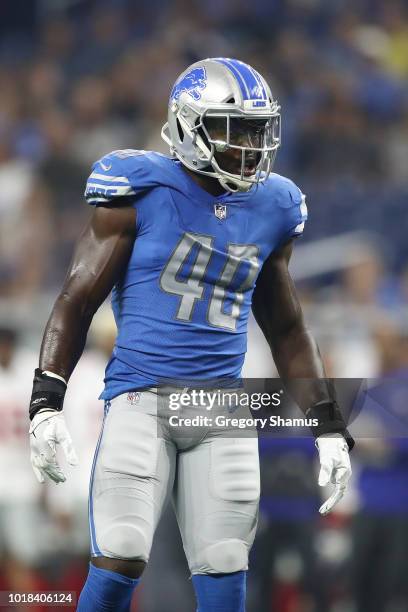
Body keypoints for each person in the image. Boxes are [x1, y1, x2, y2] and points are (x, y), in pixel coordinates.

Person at [28, 58, 354, 612]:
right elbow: (77, 298)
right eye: (234, 129)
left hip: (219, 408)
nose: (250, 145)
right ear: (188, 125)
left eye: (257, 129)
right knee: (122, 550)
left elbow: (287, 325)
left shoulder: (274, 204)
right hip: (140, 396)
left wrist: (326, 424)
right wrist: (46, 400)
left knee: (226, 561)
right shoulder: (141, 187)